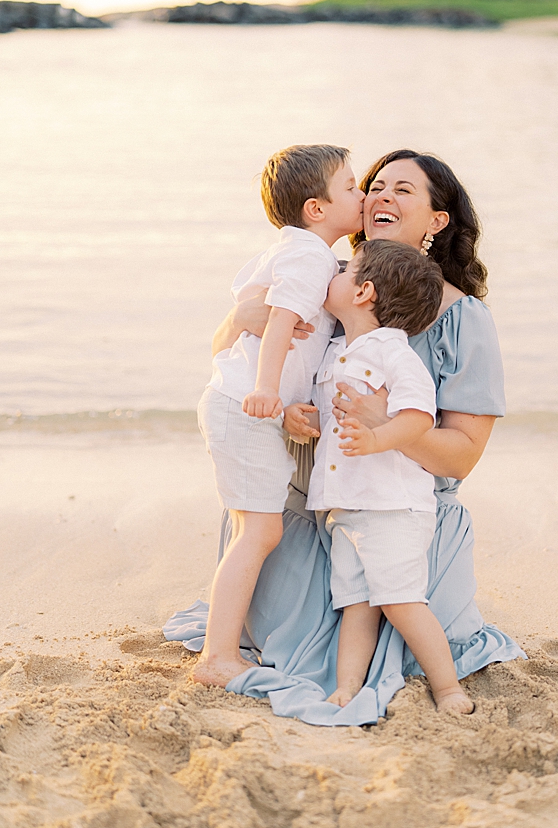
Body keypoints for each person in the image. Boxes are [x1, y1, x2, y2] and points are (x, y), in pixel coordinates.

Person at [164, 149, 524, 727]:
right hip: (314, 506)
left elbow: (462, 457)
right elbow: (234, 357)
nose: (381, 195)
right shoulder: (331, 283)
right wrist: (260, 352)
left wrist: (383, 427)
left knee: (413, 630)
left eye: (404, 190)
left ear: (438, 220)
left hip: (400, 509)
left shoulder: (464, 319)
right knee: (284, 619)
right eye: (374, 186)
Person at [192, 144, 365, 688]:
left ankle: (222, 646)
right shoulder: (311, 257)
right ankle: (217, 655)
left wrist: (282, 401)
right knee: (259, 531)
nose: (363, 196)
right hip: (245, 406)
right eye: (353, 187)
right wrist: (268, 390)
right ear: (318, 208)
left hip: (244, 406)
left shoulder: (297, 250)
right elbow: (281, 321)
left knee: (255, 529)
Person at [298, 240, 474, 714]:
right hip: (348, 506)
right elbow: (334, 421)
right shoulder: (337, 350)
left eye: (343, 270)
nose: (331, 276)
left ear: (363, 292)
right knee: (355, 604)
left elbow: (418, 417)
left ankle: (448, 688)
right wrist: (305, 421)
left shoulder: (394, 354)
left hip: (392, 505)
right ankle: (347, 688)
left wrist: (377, 439)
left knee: (400, 601)